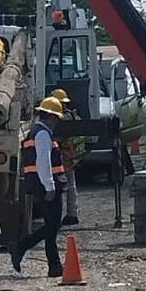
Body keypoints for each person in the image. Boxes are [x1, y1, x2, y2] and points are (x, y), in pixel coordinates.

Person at [8, 96, 67, 278]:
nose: (57, 122)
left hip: (42, 184)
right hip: (46, 186)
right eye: (56, 118)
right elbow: (43, 162)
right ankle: (20, 246)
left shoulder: (37, 132)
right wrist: (49, 186)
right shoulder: (42, 134)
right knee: (52, 226)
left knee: (51, 226)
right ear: (50, 116)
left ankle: (55, 266)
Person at [51, 87, 84, 226]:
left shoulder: (62, 119)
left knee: (57, 184)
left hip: (64, 154)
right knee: (70, 184)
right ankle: (72, 213)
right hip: (71, 154)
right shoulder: (73, 116)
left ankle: (62, 214)